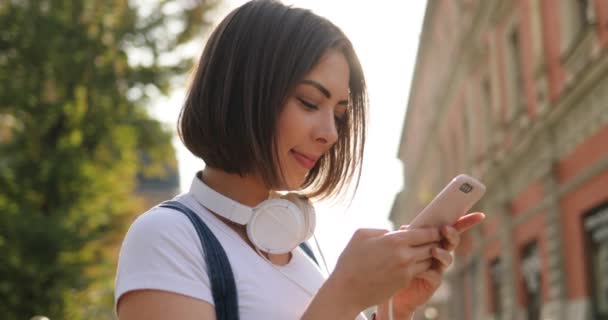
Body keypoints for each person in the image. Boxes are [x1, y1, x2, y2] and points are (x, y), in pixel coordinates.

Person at [114, 1, 485, 319]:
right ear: (246, 92)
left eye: (339, 114)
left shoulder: (300, 251)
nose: (331, 133)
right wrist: (344, 295)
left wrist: (393, 308)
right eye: (309, 102)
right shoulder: (166, 237)